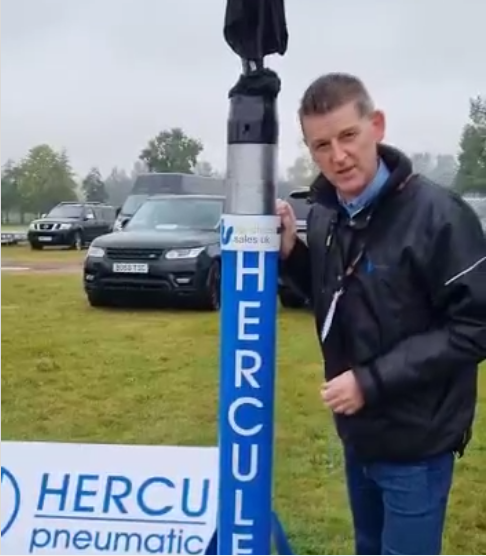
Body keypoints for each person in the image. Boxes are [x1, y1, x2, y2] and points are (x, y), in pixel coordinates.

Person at [277, 72, 486, 555]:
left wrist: (369, 382)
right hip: (360, 434)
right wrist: (292, 254)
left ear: (377, 126)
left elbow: (475, 326)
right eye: (322, 145)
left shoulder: (439, 215)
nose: (338, 156)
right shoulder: (326, 212)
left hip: (418, 443)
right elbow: (337, 295)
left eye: (348, 136)